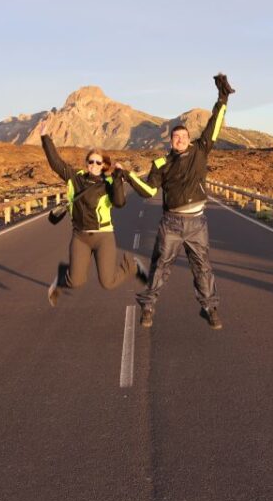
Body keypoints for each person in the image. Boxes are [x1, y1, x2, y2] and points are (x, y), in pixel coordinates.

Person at [124, 73, 234, 329]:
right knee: (160, 266)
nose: (180, 140)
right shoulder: (161, 164)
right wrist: (128, 176)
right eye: (176, 138)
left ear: (188, 138)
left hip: (197, 223)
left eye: (184, 136)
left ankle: (210, 308)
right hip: (171, 223)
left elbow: (214, 125)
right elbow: (148, 191)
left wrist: (223, 98)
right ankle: (148, 306)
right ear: (170, 141)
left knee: (203, 268)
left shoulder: (200, 150)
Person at [40, 121, 147, 306]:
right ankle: (61, 278)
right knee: (76, 281)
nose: (94, 165)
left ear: (105, 165)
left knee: (108, 282)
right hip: (80, 236)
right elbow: (56, 163)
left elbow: (120, 203)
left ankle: (132, 266)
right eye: (91, 161)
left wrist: (119, 179)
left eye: (99, 162)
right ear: (87, 163)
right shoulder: (75, 178)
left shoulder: (109, 183)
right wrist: (45, 138)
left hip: (103, 236)